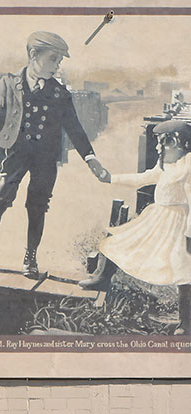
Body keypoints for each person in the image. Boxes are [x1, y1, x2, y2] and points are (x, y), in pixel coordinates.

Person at [0, 31, 106, 278]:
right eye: (53, 59)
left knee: (37, 206)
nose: (57, 66)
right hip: (15, 153)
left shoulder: (59, 93)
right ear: (33, 55)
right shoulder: (9, 84)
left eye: (59, 62)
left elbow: (75, 128)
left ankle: (30, 257)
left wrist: (90, 158)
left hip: (45, 158)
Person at [79, 119, 191, 334]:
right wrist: (109, 178)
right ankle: (102, 279)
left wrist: (189, 234)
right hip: (158, 217)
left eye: (163, 143)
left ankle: (187, 323)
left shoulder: (188, 166)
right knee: (120, 239)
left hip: (179, 223)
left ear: (179, 144)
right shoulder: (166, 165)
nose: (158, 148)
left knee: (184, 270)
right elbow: (144, 178)